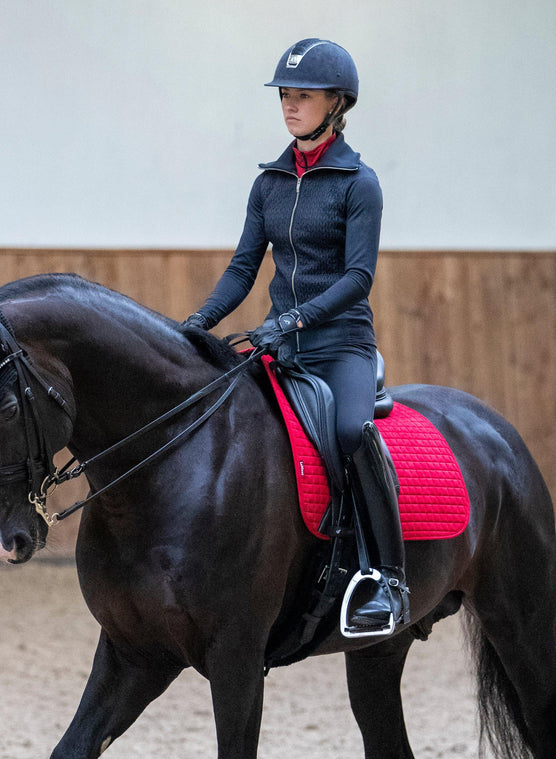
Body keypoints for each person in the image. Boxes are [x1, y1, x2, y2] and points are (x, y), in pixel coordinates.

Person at [183, 38, 408, 632]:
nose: (289, 105)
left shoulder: (359, 183)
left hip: (339, 346)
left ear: (337, 103)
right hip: (280, 347)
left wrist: (295, 318)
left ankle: (386, 578)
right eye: (285, 94)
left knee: (352, 432)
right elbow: (242, 269)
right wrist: (197, 323)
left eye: (303, 96)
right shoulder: (270, 183)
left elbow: (358, 278)